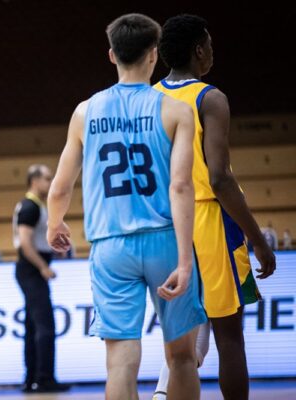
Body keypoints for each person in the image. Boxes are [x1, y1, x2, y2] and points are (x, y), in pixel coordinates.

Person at [47, 13, 207, 400]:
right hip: (164, 241)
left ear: (111, 55)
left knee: (120, 361)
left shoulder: (85, 111)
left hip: (110, 246)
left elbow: (60, 187)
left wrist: (55, 223)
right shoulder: (176, 110)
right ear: (154, 55)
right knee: (182, 358)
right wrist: (185, 261)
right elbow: (181, 186)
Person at [152, 14, 276, 400]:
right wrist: (258, 238)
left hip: (162, 226)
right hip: (208, 221)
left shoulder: (147, 97)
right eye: (210, 46)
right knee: (228, 338)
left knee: (181, 344)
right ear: (199, 50)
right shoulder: (211, 97)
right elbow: (220, 178)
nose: (212, 54)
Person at [12, 164, 70, 393]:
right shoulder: (30, 207)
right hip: (31, 270)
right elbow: (25, 243)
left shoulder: (32, 206)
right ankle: (44, 378)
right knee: (45, 325)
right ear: (34, 181)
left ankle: (31, 378)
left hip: (30, 269)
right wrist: (43, 267)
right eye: (47, 178)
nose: (50, 181)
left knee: (33, 325)